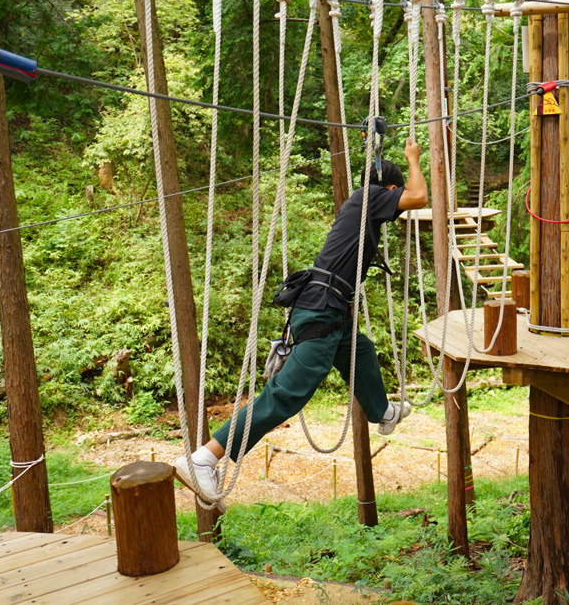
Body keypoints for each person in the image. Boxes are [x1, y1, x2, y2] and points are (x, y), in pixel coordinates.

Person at [175, 138, 429, 505]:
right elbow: (418, 197)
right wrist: (413, 158)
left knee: (360, 349)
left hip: (331, 308)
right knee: (286, 394)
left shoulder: (363, 206)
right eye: (396, 198)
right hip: (322, 308)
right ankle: (204, 458)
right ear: (390, 190)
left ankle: (382, 411)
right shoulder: (369, 196)